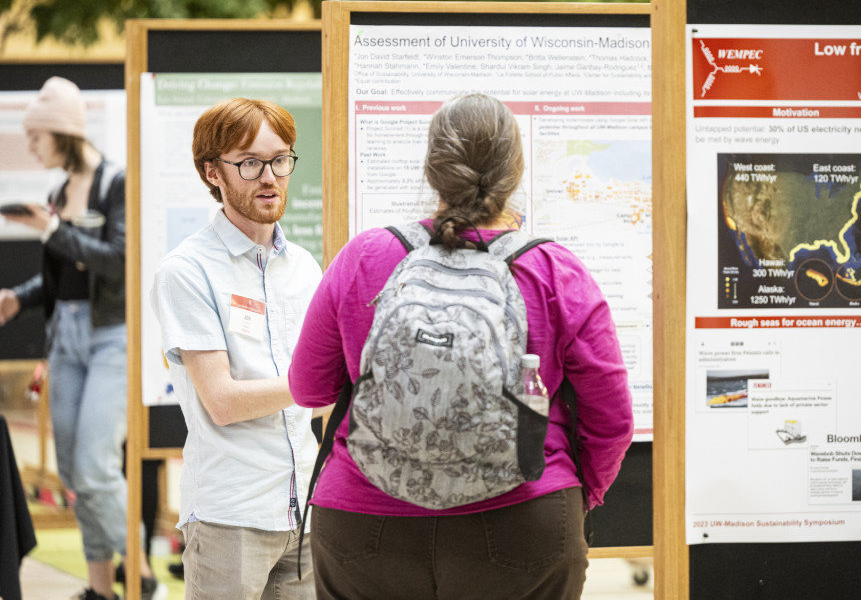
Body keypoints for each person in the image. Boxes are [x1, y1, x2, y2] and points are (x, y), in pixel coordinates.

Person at [288, 93, 635, 600]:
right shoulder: (554, 271)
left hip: (364, 523)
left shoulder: (366, 256)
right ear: (515, 171)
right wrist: (580, 495)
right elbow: (611, 419)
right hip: (522, 519)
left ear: (432, 170)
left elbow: (309, 387)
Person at [150, 98, 323, 599]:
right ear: (213, 172)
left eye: (281, 159)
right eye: (249, 163)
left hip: (305, 510)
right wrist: (314, 381)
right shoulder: (187, 271)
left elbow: (323, 394)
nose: (269, 176)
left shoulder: (305, 267)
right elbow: (222, 401)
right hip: (232, 515)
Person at [0, 76, 165, 600]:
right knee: (74, 471)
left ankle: (142, 579)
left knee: (95, 467)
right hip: (65, 338)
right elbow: (61, 279)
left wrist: (51, 231)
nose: (30, 146)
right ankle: (100, 590)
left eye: (35, 136)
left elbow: (118, 262)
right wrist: (19, 299)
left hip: (110, 337)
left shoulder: (114, 183)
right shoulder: (56, 192)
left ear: (60, 131)